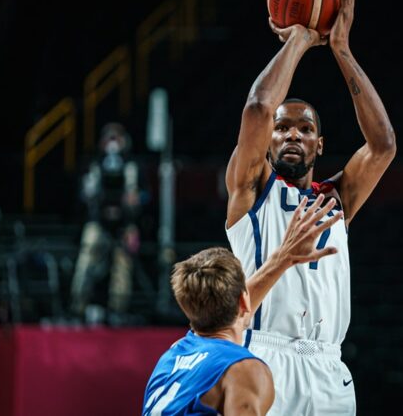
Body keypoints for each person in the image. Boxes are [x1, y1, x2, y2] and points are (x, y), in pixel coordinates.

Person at [225, 0, 396, 415]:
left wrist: (342, 49)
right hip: (267, 355)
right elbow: (258, 108)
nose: (292, 135)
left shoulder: (335, 200)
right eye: (283, 129)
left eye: (305, 128)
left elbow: (383, 146)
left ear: (319, 144)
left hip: (329, 366)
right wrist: (299, 39)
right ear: (268, 142)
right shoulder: (250, 190)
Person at [142, 195, 343, 416]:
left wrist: (282, 259)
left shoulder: (171, 359)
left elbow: (235, 308)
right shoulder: (243, 370)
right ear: (243, 301)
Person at [70, 122, 146, 323]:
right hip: (98, 222)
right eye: (109, 138)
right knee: (88, 253)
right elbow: (81, 196)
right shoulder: (94, 165)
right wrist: (89, 194)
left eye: (117, 138)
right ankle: (78, 307)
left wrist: (137, 199)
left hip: (124, 223)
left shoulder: (133, 167)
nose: (113, 143)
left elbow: (146, 196)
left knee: (123, 264)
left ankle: (117, 310)